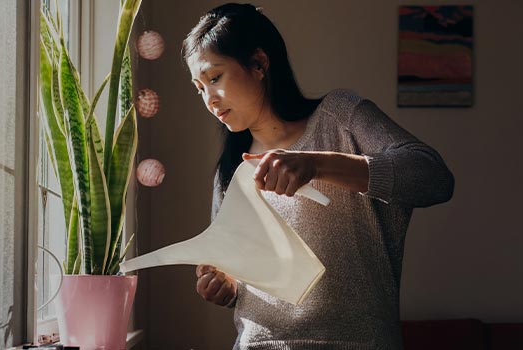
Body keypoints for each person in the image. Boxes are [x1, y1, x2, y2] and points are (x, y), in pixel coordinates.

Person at [182, 3, 455, 348]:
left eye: (214, 77)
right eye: (199, 88)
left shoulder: (340, 116)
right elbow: (240, 278)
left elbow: (434, 177)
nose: (208, 99)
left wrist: (315, 165)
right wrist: (226, 286)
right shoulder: (230, 169)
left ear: (259, 63)